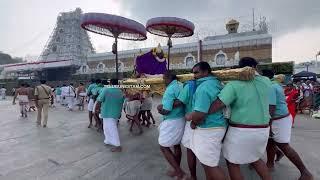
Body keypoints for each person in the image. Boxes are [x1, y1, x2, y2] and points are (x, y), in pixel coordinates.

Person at [207, 57, 272, 180]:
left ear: (239, 68)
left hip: (241, 131)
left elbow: (218, 104)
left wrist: (201, 113)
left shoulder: (234, 85)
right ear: (255, 67)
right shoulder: (266, 81)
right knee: (256, 159)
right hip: (263, 129)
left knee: (232, 162)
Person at [265, 70, 313, 180]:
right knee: (270, 142)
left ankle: (305, 172)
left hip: (279, 119)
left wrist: (269, 124)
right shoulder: (275, 85)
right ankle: (270, 163)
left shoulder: (271, 87)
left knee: (284, 146)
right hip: (280, 118)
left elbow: (271, 108)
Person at [185, 62, 227, 180]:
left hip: (209, 128)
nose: (194, 75)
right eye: (193, 73)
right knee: (207, 163)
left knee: (210, 166)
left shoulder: (203, 88)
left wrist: (191, 120)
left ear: (205, 72)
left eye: (196, 72)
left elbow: (199, 114)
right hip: (216, 126)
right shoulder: (217, 83)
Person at [157, 72, 187, 179]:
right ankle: (176, 169)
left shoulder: (170, 89)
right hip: (181, 118)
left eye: (164, 78)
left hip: (172, 121)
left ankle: (179, 171)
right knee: (176, 145)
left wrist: (159, 108)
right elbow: (182, 101)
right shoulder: (181, 85)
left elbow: (166, 111)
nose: (163, 80)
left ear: (169, 77)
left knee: (163, 146)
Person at [95, 79, 124, 152]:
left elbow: (99, 100)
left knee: (112, 128)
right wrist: (120, 112)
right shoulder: (120, 91)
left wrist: (96, 109)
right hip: (115, 112)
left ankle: (118, 146)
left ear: (110, 83)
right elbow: (121, 102)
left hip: (107, 112)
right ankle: (108, 140)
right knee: (106, 128)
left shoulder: (106, 90)